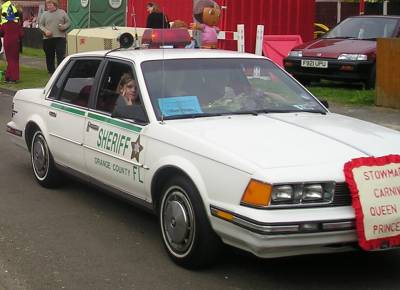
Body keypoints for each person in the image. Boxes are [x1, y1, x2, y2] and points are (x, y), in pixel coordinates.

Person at [39, 0, 70, 75]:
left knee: (60, 55)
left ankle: (60, 71)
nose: (48, 7)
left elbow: (68, 22)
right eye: (47, 5)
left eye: (50, 5)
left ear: (55, 5)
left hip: (60, 38)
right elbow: (40, 25)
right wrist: (45, 31)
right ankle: (51, 72)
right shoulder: (44, 14)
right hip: (48, 39)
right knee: (49, 56)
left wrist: (64, 27)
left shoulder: (62, 12)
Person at [0, 0, 23, 83]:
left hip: (7, 42)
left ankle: (8, 76)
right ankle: (13, 77)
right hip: (15, 42)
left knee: (9, 60)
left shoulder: (4, 24)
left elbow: (1, 33)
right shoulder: (17, 24)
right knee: (15, 60)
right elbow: (21, 34)